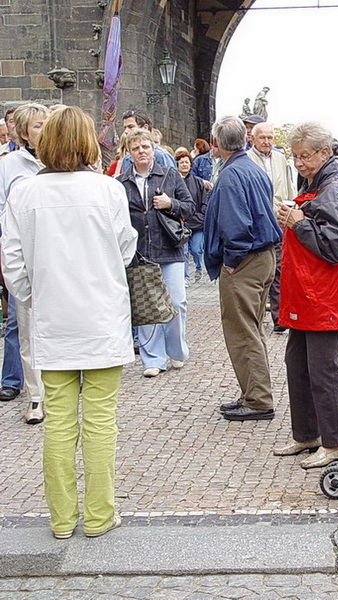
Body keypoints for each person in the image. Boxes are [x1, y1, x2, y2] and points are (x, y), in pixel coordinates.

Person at [1, 106, 138, 538]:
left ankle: (61, 519)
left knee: (59, 421)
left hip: (53, 320)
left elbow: (13, 263)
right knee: (100, 421)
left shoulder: (23, 193)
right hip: (100, 319)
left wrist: (35, 299)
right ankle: (99, 516)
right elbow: (126, 251)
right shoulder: (108, 190)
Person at [273, 122, 338, 469]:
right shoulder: (315, 184)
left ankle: (335, 440)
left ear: (324, 153)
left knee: (323, 370)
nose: (299, 163)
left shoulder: (334, 189)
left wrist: (297, 222)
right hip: (306, 293)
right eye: (294, 156)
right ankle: (306, 433)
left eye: (304, 156)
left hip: (323, 294)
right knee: (297, 364)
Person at [204, 116, 282, 421]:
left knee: (243, 332)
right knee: (251, 329)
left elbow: (236, 226)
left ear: (216, 144)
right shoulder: (251, 168)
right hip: (262, 256)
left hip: (246, 260)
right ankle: (253, 392)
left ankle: (258, 399)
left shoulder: (232, 174)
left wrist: (232, 262)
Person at [119, 129, 194, 378]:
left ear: (153, 149)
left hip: (168, 248)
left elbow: (190, 207)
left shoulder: (170, 175)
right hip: (139, 252)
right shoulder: (122, 182)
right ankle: (153, 358)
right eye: (136, 148)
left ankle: (176, 350)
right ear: (129, 153)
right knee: (146, 306)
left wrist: (170, 204)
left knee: (176, 302)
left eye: (146, 147)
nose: (141, 151)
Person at [0, 103, 49, 424]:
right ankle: (35, 396)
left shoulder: (64, 162)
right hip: (27, 256)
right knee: (26, 328)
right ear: (22, 132)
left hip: (59, 255)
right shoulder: (9, 166)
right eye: (35, 125)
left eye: (46, 124)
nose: (42, 130)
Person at [247, 122, 297, 332]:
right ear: (253, 139)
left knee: (278, 268)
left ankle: (278, 318)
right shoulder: (247, 160)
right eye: (262, 138)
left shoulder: (280, 159)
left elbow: (288, 186)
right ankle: (256, 316)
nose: (267, 142)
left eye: (270, 137)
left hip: (278, 221)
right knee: (258, 269)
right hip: (256, 223)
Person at [174, 150, 209, 283]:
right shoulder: (174, 181)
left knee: (197, 250)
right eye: (181, 162)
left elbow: (204, 201)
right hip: (182, 223)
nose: (184, 165)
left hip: (197, 223)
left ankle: (199, 267)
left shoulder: (198, 182)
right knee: (183, 252)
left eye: (186, 162)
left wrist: (201, 216)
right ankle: (185, 278)